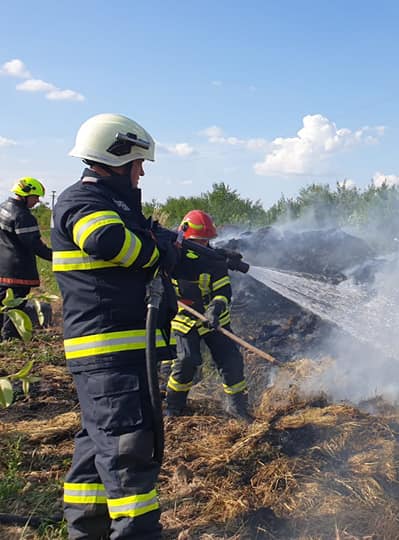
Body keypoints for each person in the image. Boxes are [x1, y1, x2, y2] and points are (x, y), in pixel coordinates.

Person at [53, 113, 177, 539]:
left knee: (95, 449)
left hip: (113, 358)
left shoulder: (110, 204)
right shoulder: (82, 202)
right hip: (109, 356)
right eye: (137, 164)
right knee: (128, 458)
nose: (141, 172)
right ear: (114, 155)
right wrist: (155, 250)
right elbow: (107, 241)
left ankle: (85, 532)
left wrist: (166, 242)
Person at [164, 209, 252, 421]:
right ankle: (174, 408)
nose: (202, 246)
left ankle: (237, 408)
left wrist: (216, 308)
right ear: (184, 238)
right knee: (186, 361)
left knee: (231, 361)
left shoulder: (215, 261)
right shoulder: (172, 259)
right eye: (197, 241)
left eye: (205, 242)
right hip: (185, 319)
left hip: (216, 321)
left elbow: (223, 290)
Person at [0, 177, 52, 338]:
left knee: (3, 304)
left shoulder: (3, 208)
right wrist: (57, 256)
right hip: (17, 271)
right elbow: (34, 245)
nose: (37, 201)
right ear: (24, 195)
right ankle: (10, 338)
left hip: (3, 268)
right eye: (35, 197)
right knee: (15, 307)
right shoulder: (22, 216)